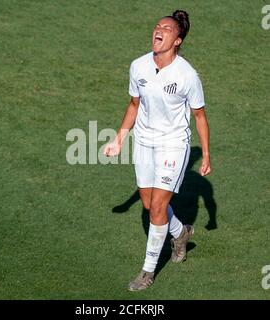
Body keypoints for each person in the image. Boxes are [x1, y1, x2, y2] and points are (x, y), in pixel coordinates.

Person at [104, 9, 211, 291]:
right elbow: (134, 105)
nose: (158, 31)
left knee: (159, 207)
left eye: (167, 29)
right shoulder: (138, 66)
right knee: (150, 204)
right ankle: (181, 232)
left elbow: (199, 116)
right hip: (143, 141)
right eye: (157, 27)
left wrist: (207, 155)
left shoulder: (187, 75)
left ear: (177, 40)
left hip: (173, 144)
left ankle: (147, 271)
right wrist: (118, 139)